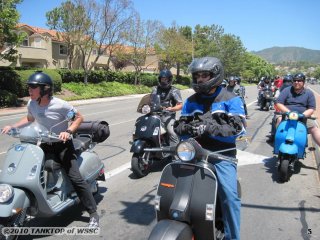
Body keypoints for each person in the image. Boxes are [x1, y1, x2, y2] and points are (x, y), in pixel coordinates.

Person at [1, 71, 100, 228]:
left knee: (75, 177)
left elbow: (79, 118)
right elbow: (30, 118)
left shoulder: (60, 105)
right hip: (43, 144)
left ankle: (93, 213)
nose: (29, 90)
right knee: (32, 169)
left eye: (33, 87)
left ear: (44, 89)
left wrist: (68, 132)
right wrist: (13, 126)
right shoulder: (31, 104)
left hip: (62, 145)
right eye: (29, 87)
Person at [174, 57, 246, 240]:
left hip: (221, 154)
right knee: (173, 185)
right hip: (193, 152)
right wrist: (188, 128)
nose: (200, 79)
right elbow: (180, 126)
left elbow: (238, 129)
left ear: (215, 75)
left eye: (204, 75)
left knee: (230, 197)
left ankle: (232, 237)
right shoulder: (191, 101)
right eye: (197, 76)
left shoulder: (231, 99)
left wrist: (209, 128)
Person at [275, 72, 320, 146]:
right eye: (295, 80)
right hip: (286, 114)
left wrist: (303, 115)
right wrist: (289, 112)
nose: (296, 82)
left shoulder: (309, 93)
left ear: (303, 82)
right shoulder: (286, 90)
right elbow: (279, 103)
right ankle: (278, 142)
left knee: (315, 129)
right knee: (279, 120)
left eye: (299, 80)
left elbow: (312, 108)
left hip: (303, 116)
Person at [151, 69, 183, 145]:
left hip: (168, 116)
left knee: (172, 132)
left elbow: (180, 105)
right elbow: (150, 100)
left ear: (169, 80)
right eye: (162, 79)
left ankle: (175, 152)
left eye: (165, 79)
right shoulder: (155, 89)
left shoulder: (174, 90)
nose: (163, 81)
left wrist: (171, 109)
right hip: (155, 115)